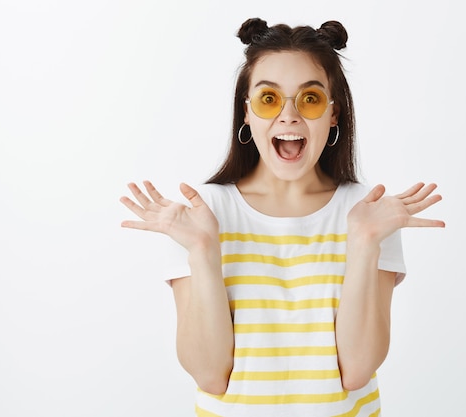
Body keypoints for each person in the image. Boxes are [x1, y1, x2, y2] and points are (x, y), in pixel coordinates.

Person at [120, 17, 444, 417]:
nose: (289, 116)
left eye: (309, 99)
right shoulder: (201, 214)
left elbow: (357, 371)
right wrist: (203, 250)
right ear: (246, 113)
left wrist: (364, 244)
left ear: (333, 114)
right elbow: (210, 376)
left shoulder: (370, 213)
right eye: (269, 99)